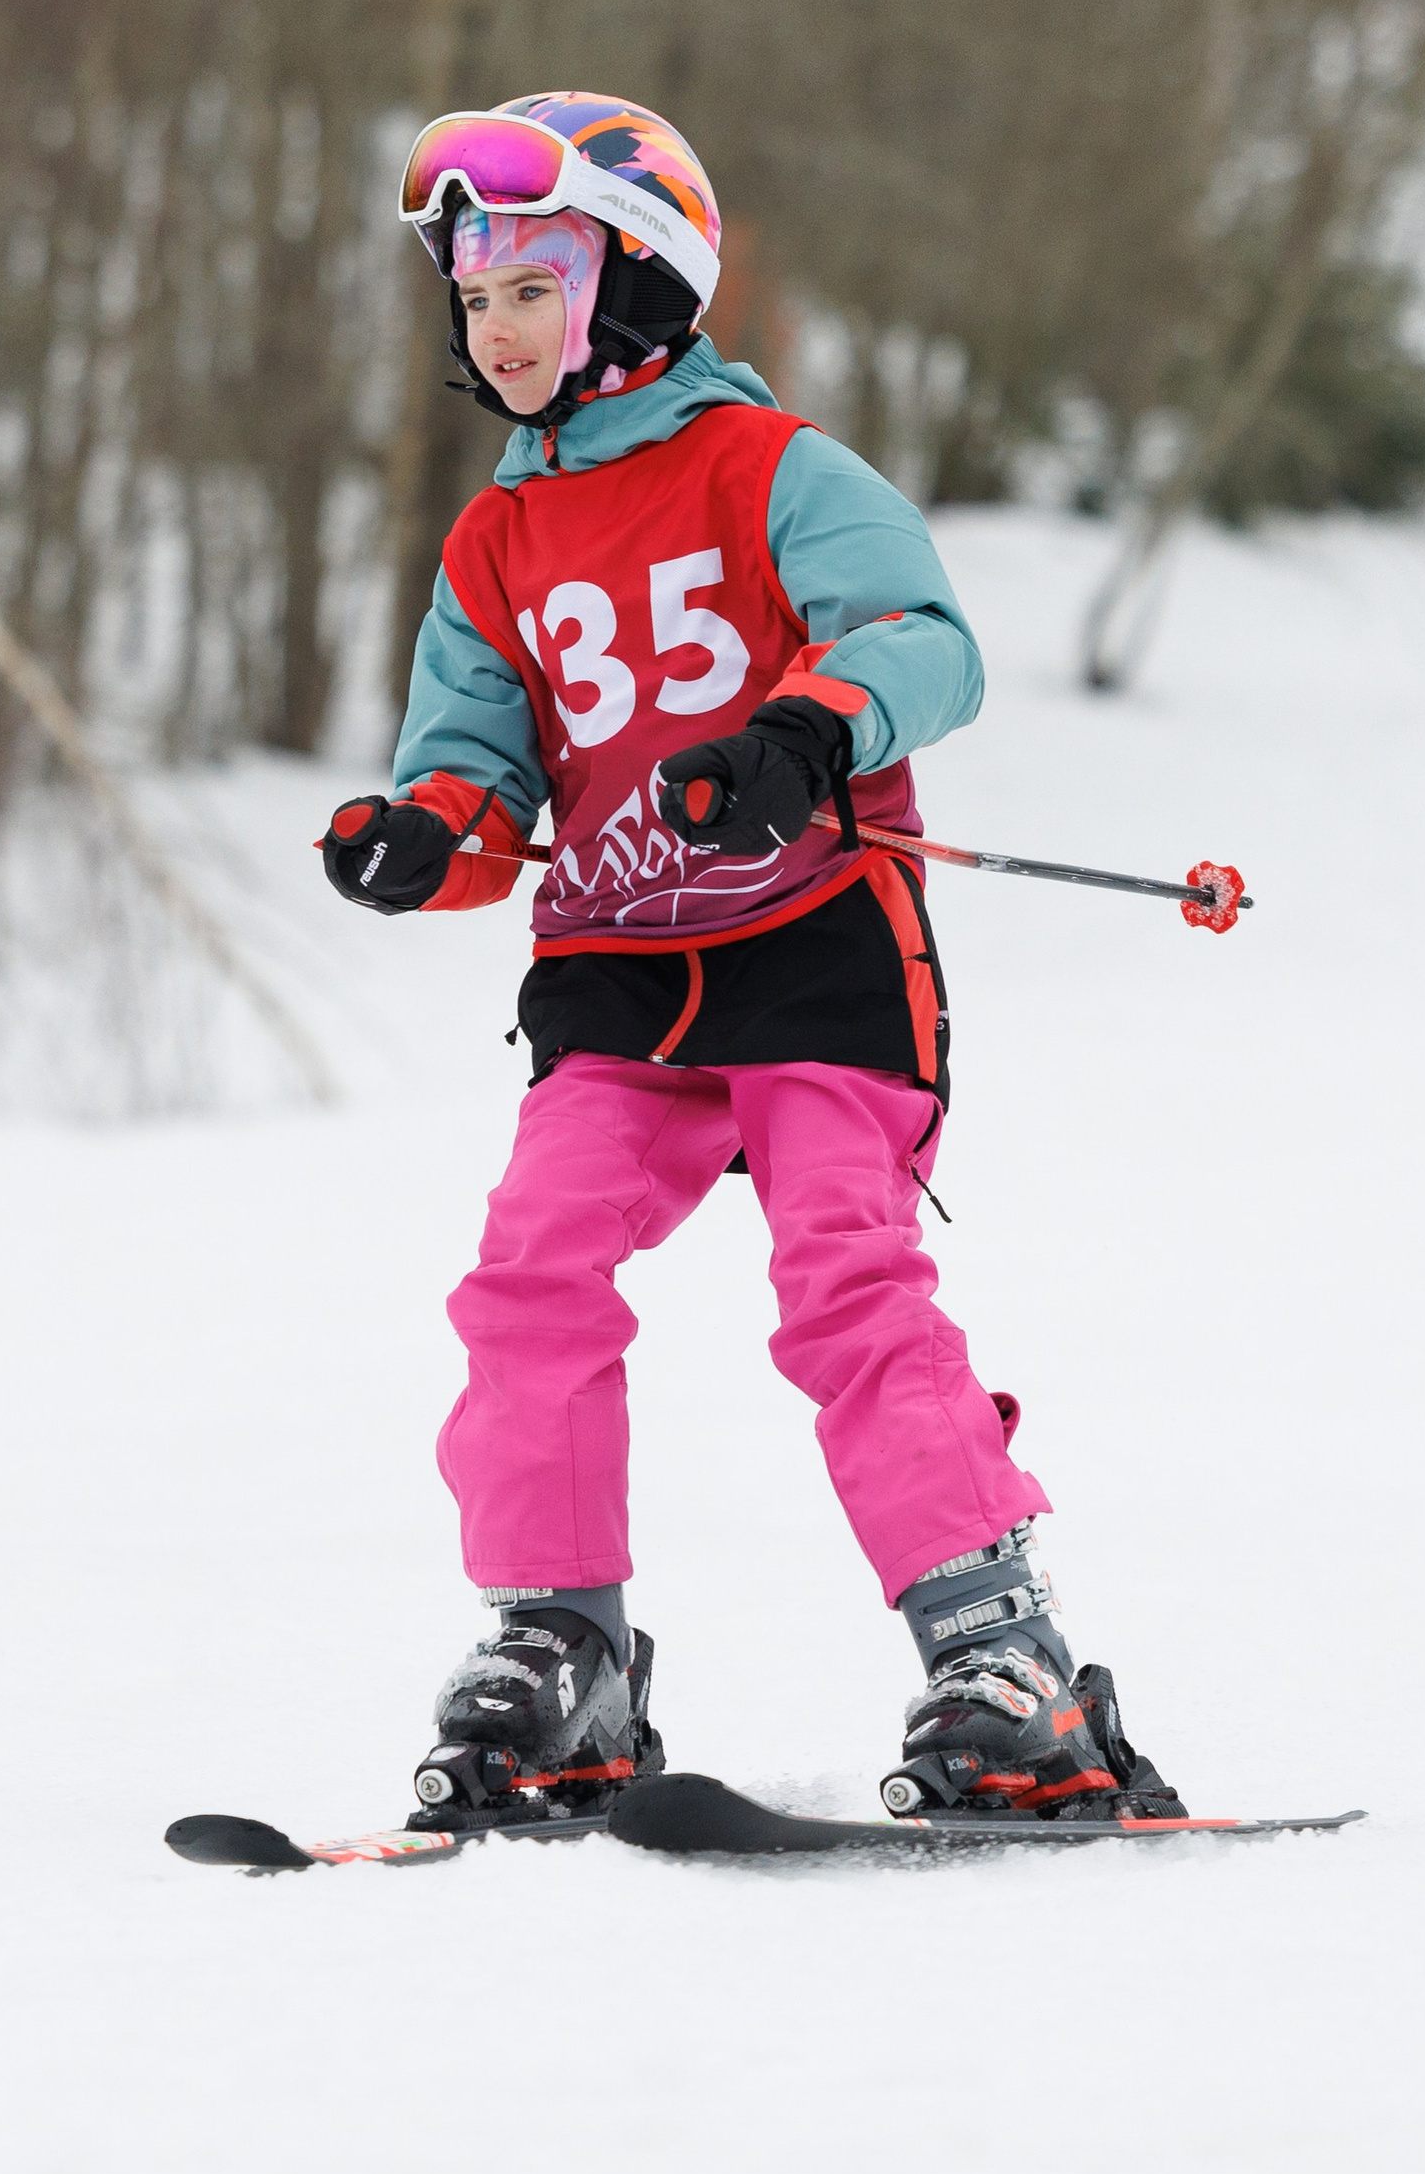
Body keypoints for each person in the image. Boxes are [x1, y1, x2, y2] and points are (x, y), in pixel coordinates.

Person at [320, 93, 1179, 1828]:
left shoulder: (773, 468)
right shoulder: (494, 539)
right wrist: (424, 836)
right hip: (621, 972)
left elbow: (922, 640)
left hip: (814, 955)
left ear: (635, 281)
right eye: (472, 301)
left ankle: (1000, 1654)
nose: (491, 331)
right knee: (531, 1275)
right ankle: (563, 1649)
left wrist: (805, 733)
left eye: (528, 290)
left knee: (843, 1283)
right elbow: (477, 763)